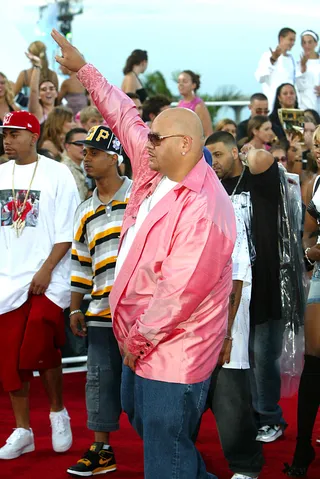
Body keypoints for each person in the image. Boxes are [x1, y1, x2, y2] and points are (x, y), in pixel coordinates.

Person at [51, 28, 236, 479]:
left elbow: (177, 294)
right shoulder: (157, 167)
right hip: (136, 340)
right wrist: (83, 70)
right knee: (145, 420)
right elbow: (123, 113)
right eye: (148, 137)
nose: (144, 142)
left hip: (172, 351)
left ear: (185, 145)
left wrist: (132, 345)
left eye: (155, 138)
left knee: (164, 455)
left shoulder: (206, 209)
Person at [0, 110, 79, 460]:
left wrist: (46, 270)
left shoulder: (58, 174)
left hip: (49, 278)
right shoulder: (0, 174)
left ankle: (58, 412)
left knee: (41, 345)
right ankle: (23, 430)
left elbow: (68, 231)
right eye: (5, 134)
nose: (7, 140)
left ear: (33, 136)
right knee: (10, 358)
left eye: (14, 134)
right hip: (6, 280)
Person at [205, 131, 286, 443]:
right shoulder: (211, 189)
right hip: (227, 284)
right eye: (208, 156)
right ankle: (245, 416)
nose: (214, 162)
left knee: (263, 355)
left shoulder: (257, 180)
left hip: (264, 280)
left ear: (235, 152)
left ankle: (270, 417)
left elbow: (263, 159)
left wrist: (251, 152)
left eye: (219, 154)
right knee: (237, 355)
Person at [66, 126, 132, 476]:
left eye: (94, 152)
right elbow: (80, 262)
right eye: (84, 152)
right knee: (98, 380)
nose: (86, 158)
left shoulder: (141, 197)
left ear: (115, 157)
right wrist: (76, 306)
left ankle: (167, 442)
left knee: (145, 387)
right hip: (100, 311)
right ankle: (101, 449)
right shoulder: (85, 209)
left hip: (142, 315)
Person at [196, 197, 264, 479]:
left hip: (225, 324)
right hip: (186, 328)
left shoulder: (224, 207)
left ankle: (245, 468)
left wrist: (225, 334)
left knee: (230, 398)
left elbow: (237, 274)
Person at [284, 125, 320, 477]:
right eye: (317, 143)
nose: (319, 149)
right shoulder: (318, 183)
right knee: (313, 358)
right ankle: (302, 446)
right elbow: (309, 227)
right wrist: (310, 251)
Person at [255, 28, 296, 108]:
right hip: (272, 105)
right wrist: (272, 60)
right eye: (290, 40)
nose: (293, 43)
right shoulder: (267, 55)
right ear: (281, 38)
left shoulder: (291, 59)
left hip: (289, 107)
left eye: (294, 40)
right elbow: (260, 78)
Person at [177, 70, 213, 137]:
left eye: (184, 81)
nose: (180, 84)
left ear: (193, 85)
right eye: (178, 82)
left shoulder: (199, 106)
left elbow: (208, 133)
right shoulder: (179, 104)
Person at [26, 52, 57, 124]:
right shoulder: (38, 111)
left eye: (51, 88)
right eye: (44, 89)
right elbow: (33, 91)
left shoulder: (61, 112)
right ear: (39, 95)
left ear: (56, 93)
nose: (48, 91)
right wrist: (37, 66)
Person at [61, 127, 88, 201]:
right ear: (67, 146)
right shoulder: (65, 169)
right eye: (79, 144)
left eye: (86, 144)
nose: (83, 147)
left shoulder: (79, 167)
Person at [296, 30, 320, 113]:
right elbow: (298, 86)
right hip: (304, 107)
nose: (307, 46)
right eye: (304, 42)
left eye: (310, 42)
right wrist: (303, 66)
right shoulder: (297, 64)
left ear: (316, 43)